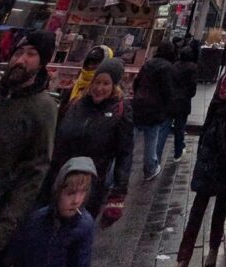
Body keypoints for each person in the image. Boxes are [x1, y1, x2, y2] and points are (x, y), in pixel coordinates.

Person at [0, 30, 57, 267]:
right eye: (19, 53)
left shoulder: (43, 109)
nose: (21, 60)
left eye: (31, 55)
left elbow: (33, 175)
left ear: (42, 63)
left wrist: (2, 231)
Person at [168, 56, 226, 267]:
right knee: (198, 207)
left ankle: (214, 248)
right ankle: (183, 261)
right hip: (211, 153)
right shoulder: (221, 89)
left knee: (221, 206)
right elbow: (208, 118)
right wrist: (205, 141)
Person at [44, 57, 133, 224]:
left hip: (89, 188)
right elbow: (55, 138)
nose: (99, 88)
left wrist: (117, 195)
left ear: (114, 85)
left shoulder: (120, 111)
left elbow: (125, 154)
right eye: (96, 82)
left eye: (105, 84)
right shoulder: (74, 103)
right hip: (58, 180)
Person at [1, 157, 96, 267]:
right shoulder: (37, 219)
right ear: (59, 191)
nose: (77, 200)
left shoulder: (82, 227)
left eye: (82, 192)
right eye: (70, 193)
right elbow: (20, 261)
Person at [132, 40, 175, 181]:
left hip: (139, 105)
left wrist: (138, 95)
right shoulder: (167, 67)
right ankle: (150, 168)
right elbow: (167, 90)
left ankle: (112, 174)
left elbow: (137, 82)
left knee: (129, 142)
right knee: (151, 139)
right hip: (155, 108)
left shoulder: (148, 63)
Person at [158, 45, 198, 164]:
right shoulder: (193, 68)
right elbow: (192, 89)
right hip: (183, 102)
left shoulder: (173, 66)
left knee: (164, 129)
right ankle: (178, 152)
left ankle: (157, 156)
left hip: (171, 101)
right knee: (179, 128)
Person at [61, 45, 112, 113]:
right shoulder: (74, 87)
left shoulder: (104, 92)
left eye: (95, 63)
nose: (90, 66)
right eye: (88, 62)